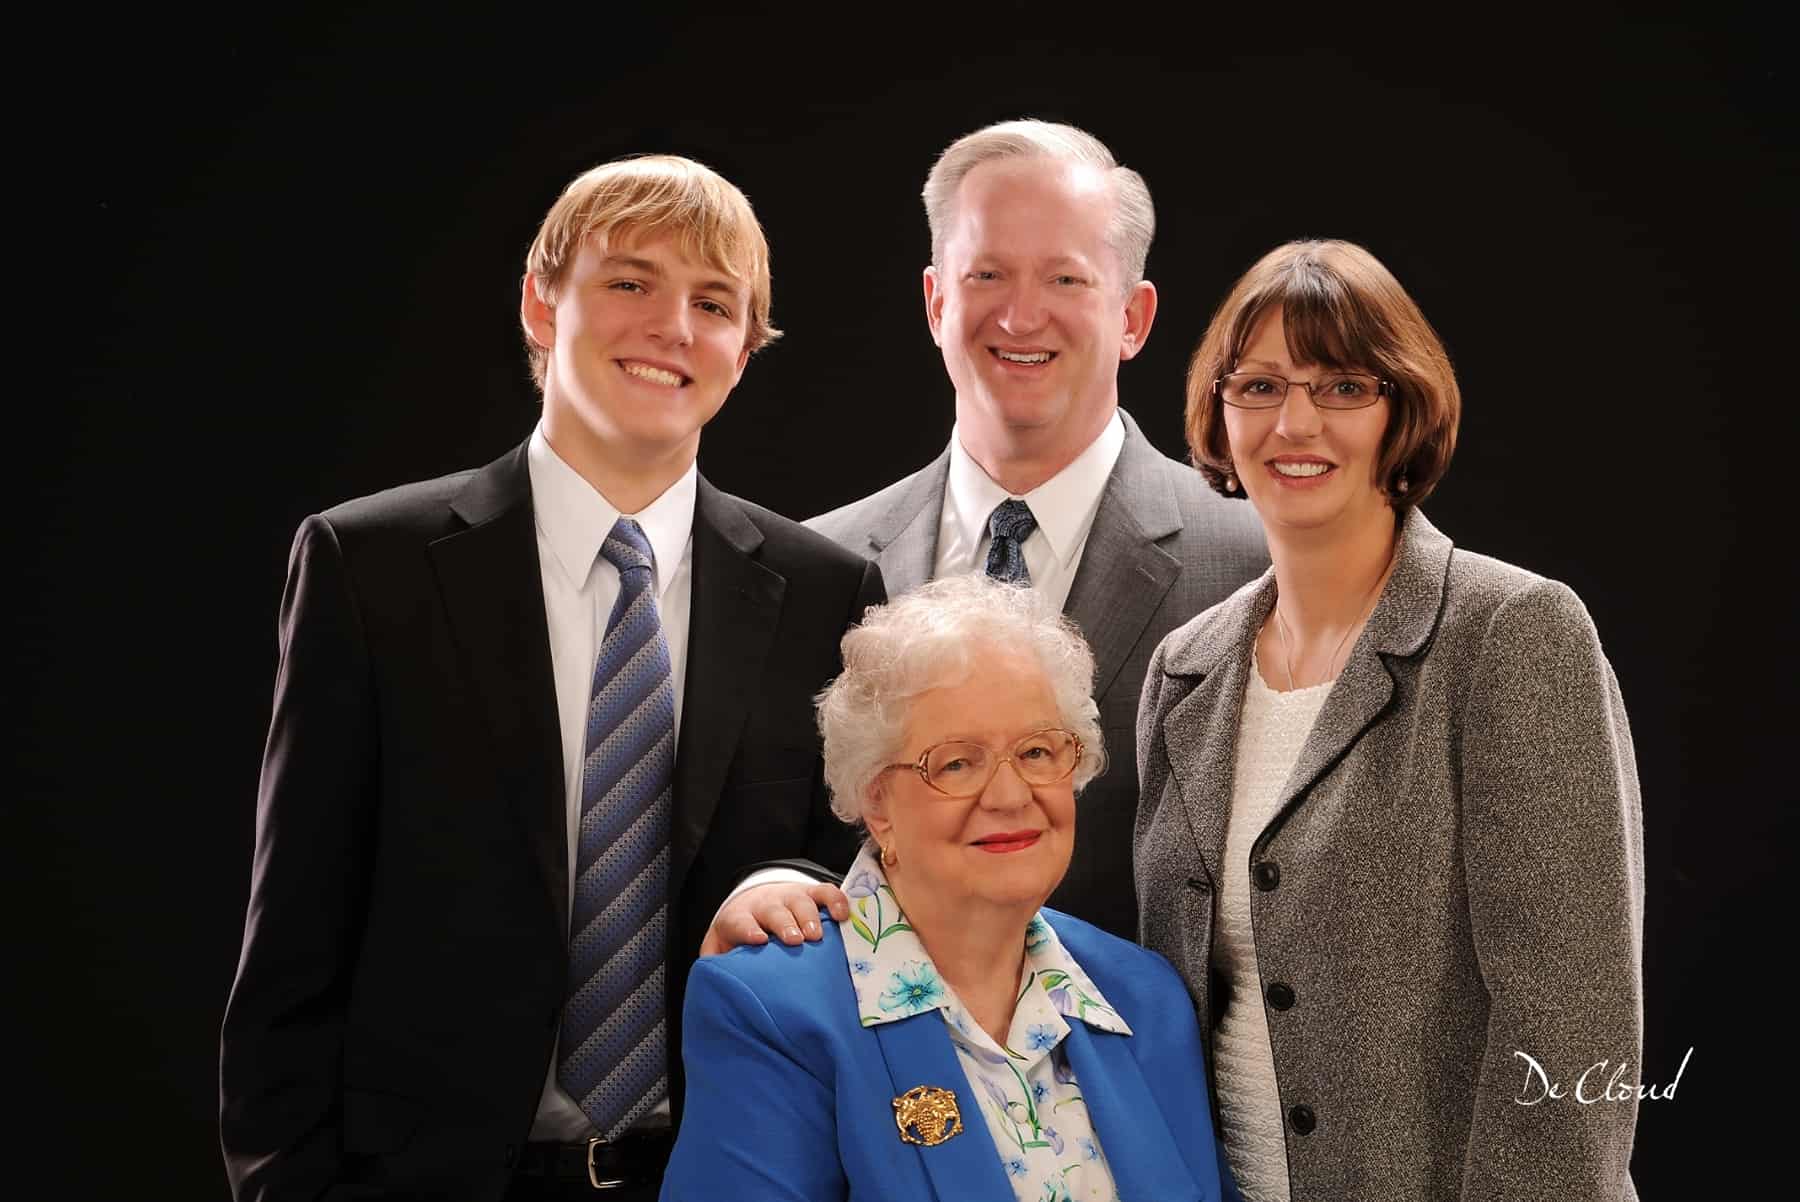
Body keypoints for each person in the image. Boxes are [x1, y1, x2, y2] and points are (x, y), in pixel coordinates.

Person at [219, 154, 882, 1201]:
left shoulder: (825, 591)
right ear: (541, 301)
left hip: (729, 1171)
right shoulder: (373, 565)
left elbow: (849, 900)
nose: (672, 325)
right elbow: (293, 938)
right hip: (427, 1178)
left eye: (715, 302)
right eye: (630, 281)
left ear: (745, 350)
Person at [1135, 239, 1644, 1200]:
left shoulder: (1510, 632)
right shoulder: (1185, 674)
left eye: (1342, 387)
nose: (1295, 422)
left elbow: (1574, 1029)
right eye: (1259, 386)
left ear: (1402, 410)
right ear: (1217, 411)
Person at [706, 119, 1267, 952]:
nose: (1021, 313)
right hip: (873, 1071)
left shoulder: (1255, 565)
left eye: (1067, 278)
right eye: (988, 273)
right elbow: (783, 841)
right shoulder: (813, 568)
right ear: (936, 302)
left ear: (1132, 318)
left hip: (1152, 1071)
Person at [662, 574, 1241, 1202]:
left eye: (1039, 752)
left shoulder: (1143, 996)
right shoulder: (770, 1009)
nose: (1011, 795)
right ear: (876, 800)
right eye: (957, 763)